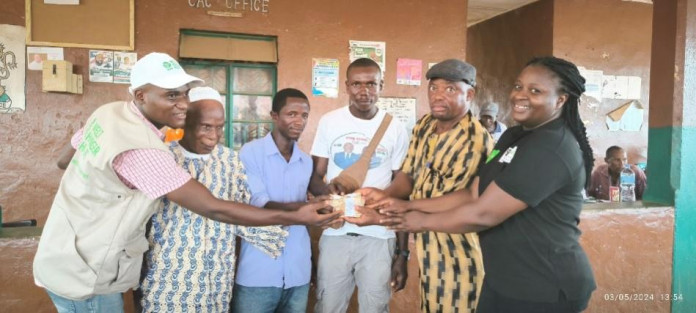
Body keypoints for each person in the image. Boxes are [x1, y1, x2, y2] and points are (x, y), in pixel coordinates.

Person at [35, 52, 339, 313]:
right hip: (90, 273)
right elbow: (215, 208)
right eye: (171, 95)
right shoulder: (149, 152)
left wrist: (97, 193)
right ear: (140, 96)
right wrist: (296, 216)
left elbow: (65, 161)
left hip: (77, 255)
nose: (182, 103)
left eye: (183, 93)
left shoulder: (108, 114)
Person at [376, 56, 597, 312]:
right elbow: (473, 194)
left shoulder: (552, 149)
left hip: (543, 286)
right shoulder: (514, 136)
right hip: (504, 278)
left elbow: (483, 213)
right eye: (518, 86)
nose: (520, 96)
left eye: (535, 91)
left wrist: (415, 220)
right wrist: (405, 206)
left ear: (561, 100)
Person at [348, 59, 494, 313]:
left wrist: (402, 206)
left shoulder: (475, 139)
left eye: (449, 90)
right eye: (433, 88)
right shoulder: (425, 125)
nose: (438, 96)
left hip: (459, 249)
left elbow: (464, 198)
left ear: (469, 94)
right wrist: (384, 195)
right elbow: (408, 175)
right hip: (428, 247)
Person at [139, 87, 287, 312]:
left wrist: (291, 219)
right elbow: (142, 219)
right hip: (169, 280)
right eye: (206, 127)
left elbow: (240, 211)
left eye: (220, 127)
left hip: (217, 279)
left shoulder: (229, 160)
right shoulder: (163, 157)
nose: (214, 135)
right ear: (186, 122)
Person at [309, 58, 410, 313]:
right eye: (356, 84)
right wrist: (326, 191)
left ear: (381, 86)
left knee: (375, 308)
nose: (364, 91)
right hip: (335, 234)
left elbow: (404, 189)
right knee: (329, 307)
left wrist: (402, 254)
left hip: (379, 236)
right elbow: (314, 176)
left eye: (371, 84)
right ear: (346, 86)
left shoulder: (396, 128)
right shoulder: (329, 122)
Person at [232, 88, 314, 313]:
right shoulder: (250, 153)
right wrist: (307, 209)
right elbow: (260, 202)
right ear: (275, 116)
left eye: (304, 115)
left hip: (298, 272)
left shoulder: (306, 162)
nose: (299, 121)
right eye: (292, 114)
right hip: (259, 271)